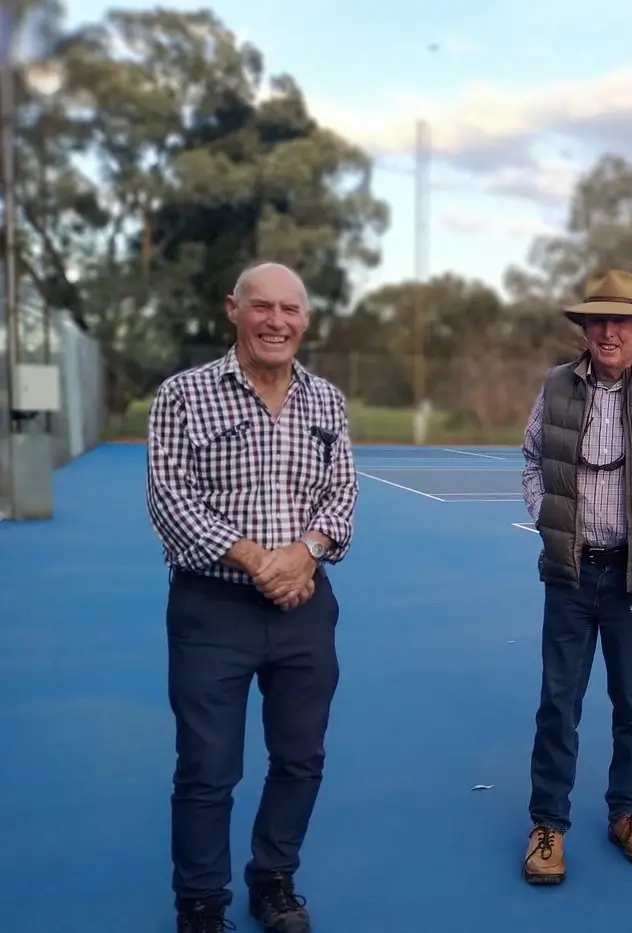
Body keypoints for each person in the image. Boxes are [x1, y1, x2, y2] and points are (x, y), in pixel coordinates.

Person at [145, 262, 359, 933]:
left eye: (289, 309)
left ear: (306, 320)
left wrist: (307, 551)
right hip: (212, 610)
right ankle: (201, 903)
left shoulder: (327, 402)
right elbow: (170, 499)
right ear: (233, 309)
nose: (276, 321)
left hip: (305, 606)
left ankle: (274, 879)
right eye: (261, 306)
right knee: (207, 768)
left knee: (301, 758)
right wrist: (256, 558)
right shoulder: (183, 396)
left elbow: (342, 494)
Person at [518, 269, 632, 885]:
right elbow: (531, 458)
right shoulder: (556, 386)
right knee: (558, 703)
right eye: (598, 320)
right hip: (571, 575)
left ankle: (627, 813)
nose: (609, 332)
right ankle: (549, 824)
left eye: (621, 321)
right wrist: (547, 517)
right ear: (585, 328)